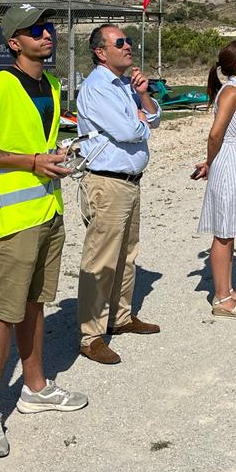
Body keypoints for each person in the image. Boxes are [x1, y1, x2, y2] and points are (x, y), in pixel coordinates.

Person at [0, 3, 87, 460]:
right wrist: (32, 162)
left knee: (35, 302)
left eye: (48, 27)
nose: (46, 35)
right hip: (12, 217)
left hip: (48, 207)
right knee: (5, 310)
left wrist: (56, 155)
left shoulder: (50, 84)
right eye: (35, 30)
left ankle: (35, 387)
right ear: (14, 42)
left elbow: (35, 141)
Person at [75, 24, 162, 365]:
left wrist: (143, 96)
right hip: (107, 183)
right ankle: (91, 335)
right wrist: (141, 123)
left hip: (130, 181)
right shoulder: (97, 88)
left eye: (129, 41)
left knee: (126, 254)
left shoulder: (125, 85)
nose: (129, 46)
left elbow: (154, 117)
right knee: (101, 259)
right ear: (101, 52)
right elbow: (128, 130)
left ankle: (120, 316)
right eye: (121, 42)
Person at [192, 40, 236, 319]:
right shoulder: (232, 92)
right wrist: (210, 163)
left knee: (229, 229)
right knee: (223, 233)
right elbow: (215, 134)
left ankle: (228, 289)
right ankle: (221, 299)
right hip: (228, 165)